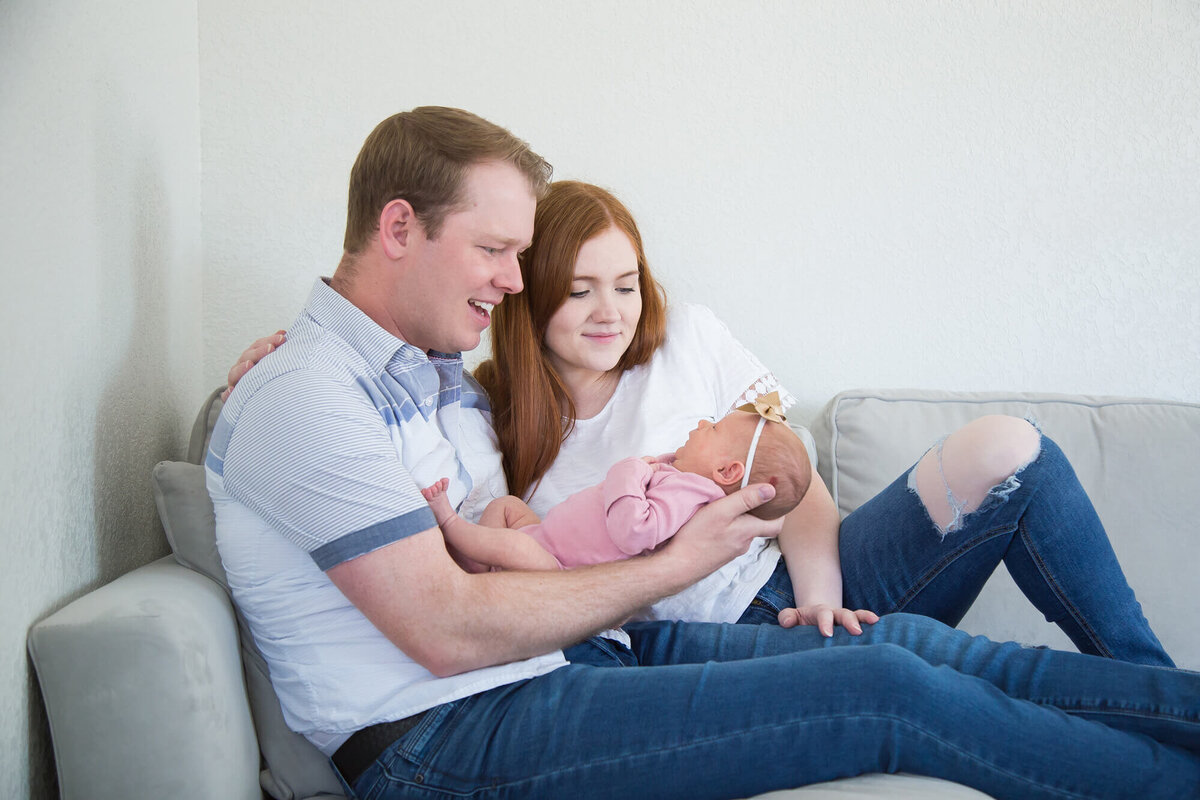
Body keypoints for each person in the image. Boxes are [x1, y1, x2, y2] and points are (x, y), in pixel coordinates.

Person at [211, 106, 1200, 800]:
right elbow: (446, 625)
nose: (513, 280)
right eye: (496, 251)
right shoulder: (305, 395)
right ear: (397, 228)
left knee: (907, 645)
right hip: (446, 737)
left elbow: (500, 527)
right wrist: (676, 561)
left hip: (564, 653)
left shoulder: (424, 383)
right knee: (885, 687)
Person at [422, 398, 811, 596]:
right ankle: (482, 569)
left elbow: (635, 531)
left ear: (727, 472)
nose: (701, 423)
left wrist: (629, 468)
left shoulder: (693, 493)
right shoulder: (681, 480)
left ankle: (452, 526)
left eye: (714, 428)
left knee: (509, 545)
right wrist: (656, 465)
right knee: (506, 508)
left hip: (559, 567)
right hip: (547, 536)